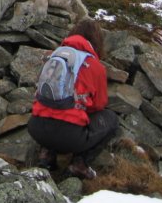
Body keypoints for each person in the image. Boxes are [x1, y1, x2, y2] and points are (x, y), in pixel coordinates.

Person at [27, 18, 119, 179]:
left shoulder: (54, 56)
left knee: (51, 109)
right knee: (111, 119)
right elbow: (99, 105)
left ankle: (46, 155)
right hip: (69, 136)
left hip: (36, 127)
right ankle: (80, 164)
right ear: (96, 40)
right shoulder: (94, 65)